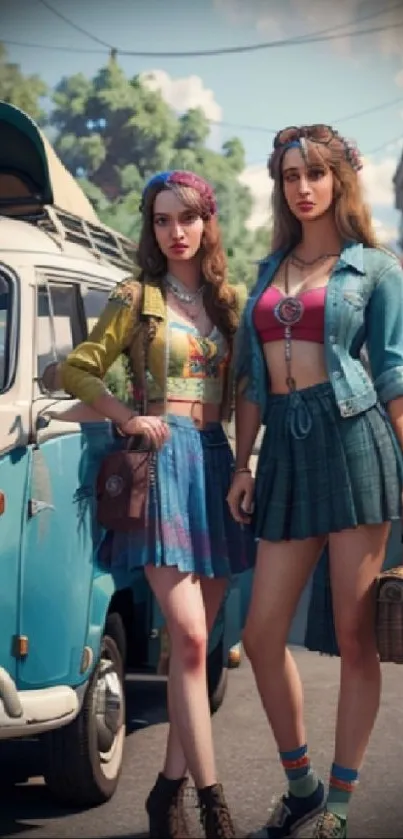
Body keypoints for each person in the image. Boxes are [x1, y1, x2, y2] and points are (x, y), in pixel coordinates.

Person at [60, 169, 254, 839]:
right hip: (160, 469)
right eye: (163, 219)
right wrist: (126, 416)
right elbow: (76, 368)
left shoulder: (230, 303)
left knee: (192, 656)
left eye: (187, 217)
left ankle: (164, 791)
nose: (175, 231)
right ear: (152, 226)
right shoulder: (133, 295)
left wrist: (248, 463)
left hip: (214, 466)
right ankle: (212, 800)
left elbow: (251, 389)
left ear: (207, 223)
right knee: (191, 637)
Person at [227, 125, 403, 839]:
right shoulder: (267, 269)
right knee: (261, 633)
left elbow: (392, 371)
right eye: (290, 175)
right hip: (286, 454)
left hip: (356, 438)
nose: (301, 186)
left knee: (356, 635)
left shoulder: (375, 268)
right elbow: (249, 381)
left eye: (314, 174)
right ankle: (298, 781)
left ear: (338, 180)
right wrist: (242, 463)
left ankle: (336, 802)